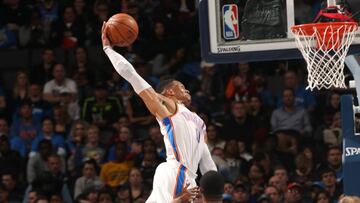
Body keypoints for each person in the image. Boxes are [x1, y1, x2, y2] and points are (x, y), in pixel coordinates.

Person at [101, 22, 217, 203]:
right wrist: (108, 49)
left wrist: (213, 194)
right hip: (176, 172)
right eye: (181, 86)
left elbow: (208, 165)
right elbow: (134, 77)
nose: (186, 90)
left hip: (185, 177)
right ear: (169, 93)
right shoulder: (170, 106)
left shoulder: (199, 122)